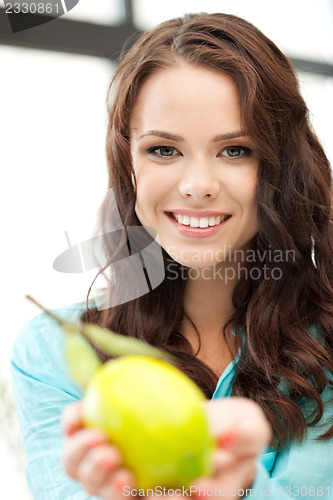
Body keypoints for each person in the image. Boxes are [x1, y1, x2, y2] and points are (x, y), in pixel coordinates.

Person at [11, 12, 333, 500]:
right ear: (129, 164)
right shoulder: (53, 354)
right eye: (163, 150)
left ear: (280, 167)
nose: (197, 186)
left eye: (235, 150)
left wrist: (242, 486)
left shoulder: (326, 347)